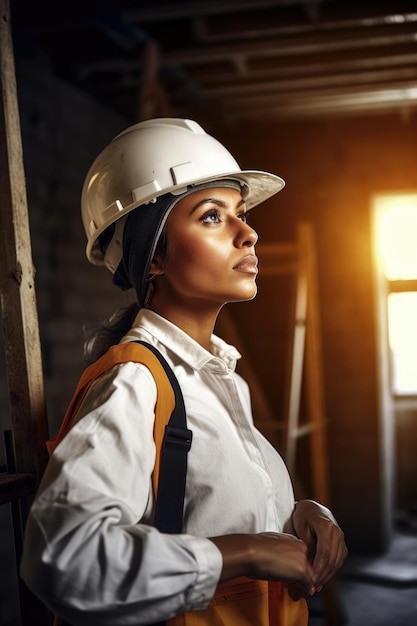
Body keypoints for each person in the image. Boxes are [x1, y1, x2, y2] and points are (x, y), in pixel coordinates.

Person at [20, 118, 347, 625]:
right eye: (213, 217)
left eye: (240, 213)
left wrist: (302, 513)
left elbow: (211, 501)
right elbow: (63, 558)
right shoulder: (136, 381)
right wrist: (247, 551)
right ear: (153, 256)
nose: (249, 232)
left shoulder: (217, 377)